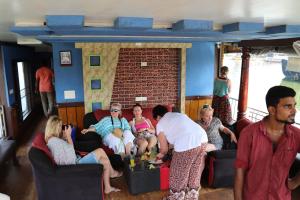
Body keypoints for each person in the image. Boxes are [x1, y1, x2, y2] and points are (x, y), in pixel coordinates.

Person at [234, 85, 300, 200]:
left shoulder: (297, 135)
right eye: (288, 106)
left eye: (294, 106)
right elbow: (240, 171)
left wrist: (295, 181)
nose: (294, 111)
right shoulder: (249, 133)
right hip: (252, 196)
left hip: (281, 196)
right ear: (272, 110)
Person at [45, 115, 122, 194]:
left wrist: (65, 138)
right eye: (61, 127)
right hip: (75, 165)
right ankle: (112, 173)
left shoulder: (53, 140)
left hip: (75, 161)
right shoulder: (54, 142)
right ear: (55, 128)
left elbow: (66, 152)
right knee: (100, 151)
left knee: (104, 161)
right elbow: (67, 158)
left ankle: (108, 188)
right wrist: (68, 136)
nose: (62, 129)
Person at [153, 105, 208, 200]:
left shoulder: (160, 124)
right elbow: (175, 137)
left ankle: (176, 196)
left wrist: (160, 155)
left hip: (187, 143)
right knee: (194, 169)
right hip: (202, 139)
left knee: (177, 173)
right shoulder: (179, 115)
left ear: (157, 117)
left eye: (156, 119)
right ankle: (192, 195)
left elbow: (164, 149)